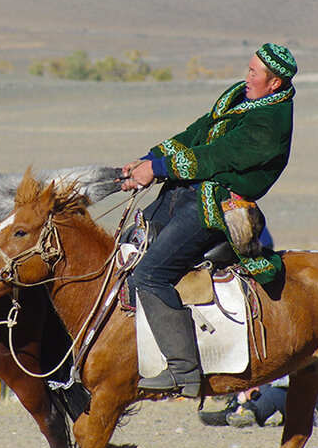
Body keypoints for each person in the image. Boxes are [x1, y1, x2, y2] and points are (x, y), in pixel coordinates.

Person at [120, 43, 297, 397]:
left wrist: (156, 169)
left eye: (253, 73)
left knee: (150, 274)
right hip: (182, 193)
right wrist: (146, 161)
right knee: (125, 247)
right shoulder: (241, 98)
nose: (246, 77)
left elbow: (216, 155)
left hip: (215, 207)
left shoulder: (271, 122)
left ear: (274, 82)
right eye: (248, 68)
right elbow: (198, 133)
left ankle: (182, 371)